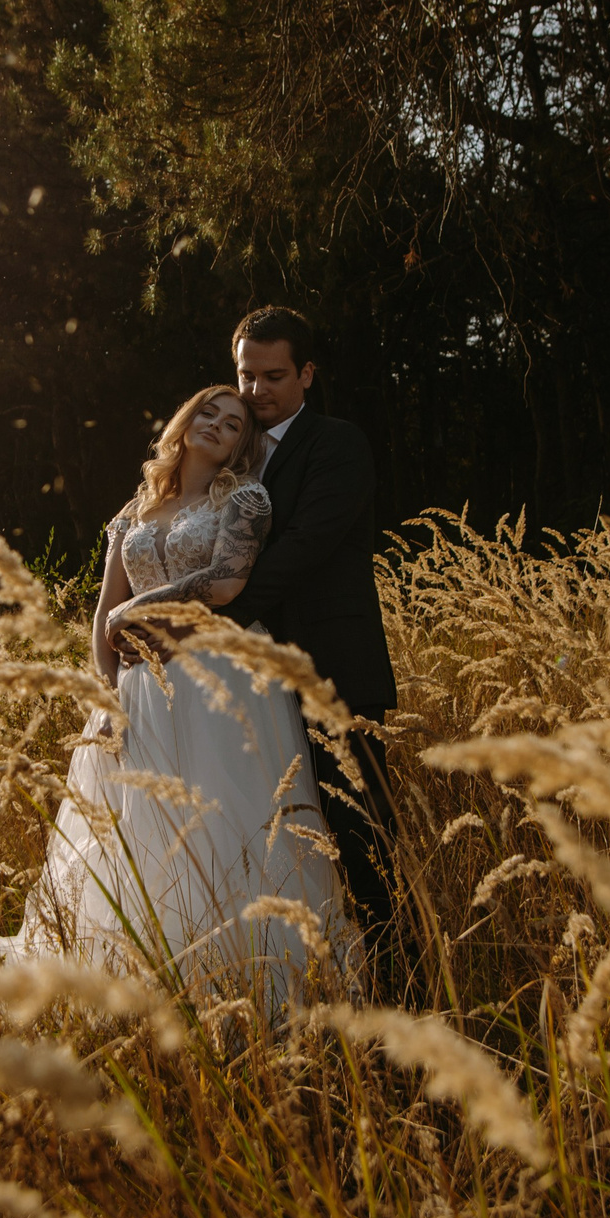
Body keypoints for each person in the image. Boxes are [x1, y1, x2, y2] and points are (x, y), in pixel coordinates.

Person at [9, 384, 355, 1003]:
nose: (217, 426)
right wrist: (108, 695)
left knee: (227, 822)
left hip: (221, 681)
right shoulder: (136, 507)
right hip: (139, 686)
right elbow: (102, 615)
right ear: (185, 420)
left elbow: (225, 583)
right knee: (139, 830)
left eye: (233, 425)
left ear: (242, 446)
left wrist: (137, 610)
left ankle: (250, 979)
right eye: (208, 413)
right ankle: (149, 979)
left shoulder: (246, 499)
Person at [226, 307, 401, 953]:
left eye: (274, 375)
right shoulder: (228, 447)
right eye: (246, 374)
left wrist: (208, 622)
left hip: (332, 670)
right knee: (271, 838)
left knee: (359, 842)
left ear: (306, 373)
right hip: (244, 687)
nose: (257, 390)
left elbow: (305, 546)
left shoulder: (337, 442)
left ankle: (397, 981)